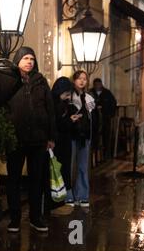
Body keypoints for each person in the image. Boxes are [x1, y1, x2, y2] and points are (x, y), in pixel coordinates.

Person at [6, 46, 56, 233]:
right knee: (14, 180)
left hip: (38, 140)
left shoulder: (41, 82)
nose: (29, 61)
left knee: (37, 180)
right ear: (18, 60)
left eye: (32, 58)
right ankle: (14, 219)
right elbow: (3, 108)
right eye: (25, 58)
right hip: (15, 139)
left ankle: (36, 217)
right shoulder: (10, 81)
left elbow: (50, 110)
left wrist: (51, 136)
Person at [49, 77, 79, 215]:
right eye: (66, 93)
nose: (68, 96)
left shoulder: (63, 104)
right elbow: (56, 124)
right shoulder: (53, 104)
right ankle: (56, 202)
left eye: (69, 94)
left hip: (64, 142)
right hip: (57, 143)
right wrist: (69, 120)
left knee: (64, 170)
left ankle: (62, 200)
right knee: (57, 171)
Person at [67, 70, 95, 208]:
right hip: (71, 135)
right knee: (69, 166)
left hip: (85, 136)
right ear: (74, 80)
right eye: (79, 78)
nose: (82, 81)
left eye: (84, 79)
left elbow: (92, 120)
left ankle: (82, 195)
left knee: (83, 166)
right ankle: (69, 196)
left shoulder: (89, 98)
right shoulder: (68, 96)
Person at [89, 78, 117, 162]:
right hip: (94, 120)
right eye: (96, 85)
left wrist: (110, 114)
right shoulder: (90, 93)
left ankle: (106, 154)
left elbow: (113, 103)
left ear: (101, 84)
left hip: (105, 118)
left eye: (99, 84)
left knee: (106, 136)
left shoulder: (107, 93)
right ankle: (95, 156)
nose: (97, 86)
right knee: (94, 136)